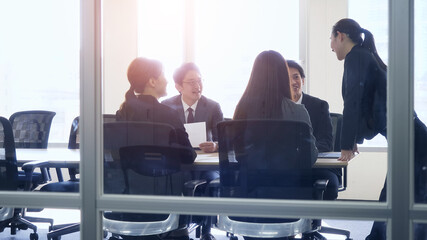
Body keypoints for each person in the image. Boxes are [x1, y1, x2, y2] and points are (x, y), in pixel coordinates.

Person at [330, 18, 427, 240]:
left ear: (341, 36)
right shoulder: (365, 56)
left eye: (332, 39)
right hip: (411, 136)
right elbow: (371, 108)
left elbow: (353, 102)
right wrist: (353, 137)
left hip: (411, 138)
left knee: (397, 196)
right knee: (399, 196)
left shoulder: (356, 58)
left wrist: (346, 144)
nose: (331, 46)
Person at [287, 60, 339, 200]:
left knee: (330, 184)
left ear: (303, 80)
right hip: (284, 168)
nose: (293, 82)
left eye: (296, 77)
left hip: (314, 167)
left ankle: (312, 221)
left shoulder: (319, 106)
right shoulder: (276, 108)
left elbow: (326, 142)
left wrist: (301, 153)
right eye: (287, 78)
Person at [162, 62, 224, 153]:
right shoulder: (167, 106)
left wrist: (216, 146)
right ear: (179, 87)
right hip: (178, 157)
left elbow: (224, 140)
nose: (197, 86)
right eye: (191, 82)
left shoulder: (213, 107)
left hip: (205, 157)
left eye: (199, 80)